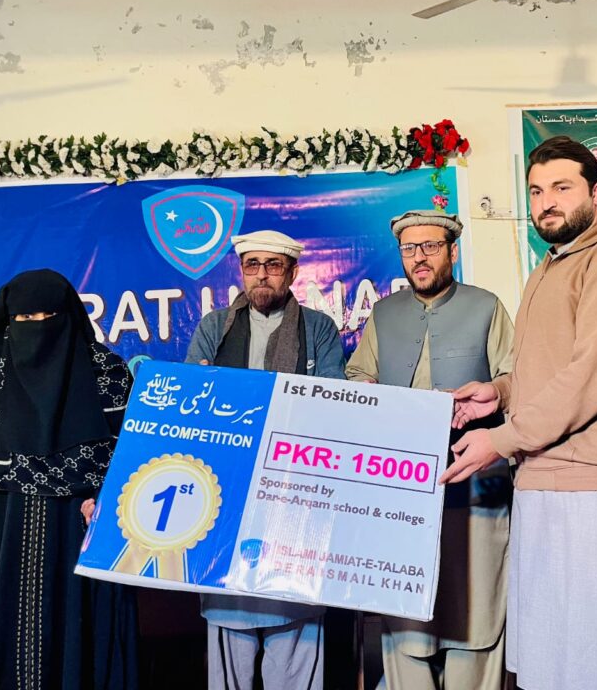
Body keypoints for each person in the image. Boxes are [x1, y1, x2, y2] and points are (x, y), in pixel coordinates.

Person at [444, 136, 597, 690]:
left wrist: (502, 439)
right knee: (546, 663)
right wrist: (500, 393)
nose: (547, 202)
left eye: (562, 188)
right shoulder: (551, 264)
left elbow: (595, 376)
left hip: (589, 488)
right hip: (539, 481)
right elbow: (549, 369)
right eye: (536, 191)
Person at [0, 269, 139, 690]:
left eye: (49, 316)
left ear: (70, 318)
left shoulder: (110, 379)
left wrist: (110, 503)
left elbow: (138, 467)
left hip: (84, 549)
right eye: (24, 319)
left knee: (84, 655)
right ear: (8, 324)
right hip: (1, 554)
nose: (37, 328)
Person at [346, 209, 513, 690]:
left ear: (452, 252)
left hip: (475, 481)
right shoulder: (385, 313)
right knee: (406, 618)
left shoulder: (486, 306)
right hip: (401, 489)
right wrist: (370, 391)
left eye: (430, 246)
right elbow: (358, 373)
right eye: (409, 249)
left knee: (475, 608)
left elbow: (515, 375)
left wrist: (493, 391)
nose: (419, 257)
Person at [185, 229, 345, 690]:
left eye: (273, 265)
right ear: (241, 271)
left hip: (294, 492)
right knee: (228, 609)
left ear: (292, 273)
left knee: (294, 612)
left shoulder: (317, 328)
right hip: (226, 495)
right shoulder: (215, 327)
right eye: (252, 265)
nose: (261, 275)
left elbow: (333, 402)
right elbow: (192, 402)